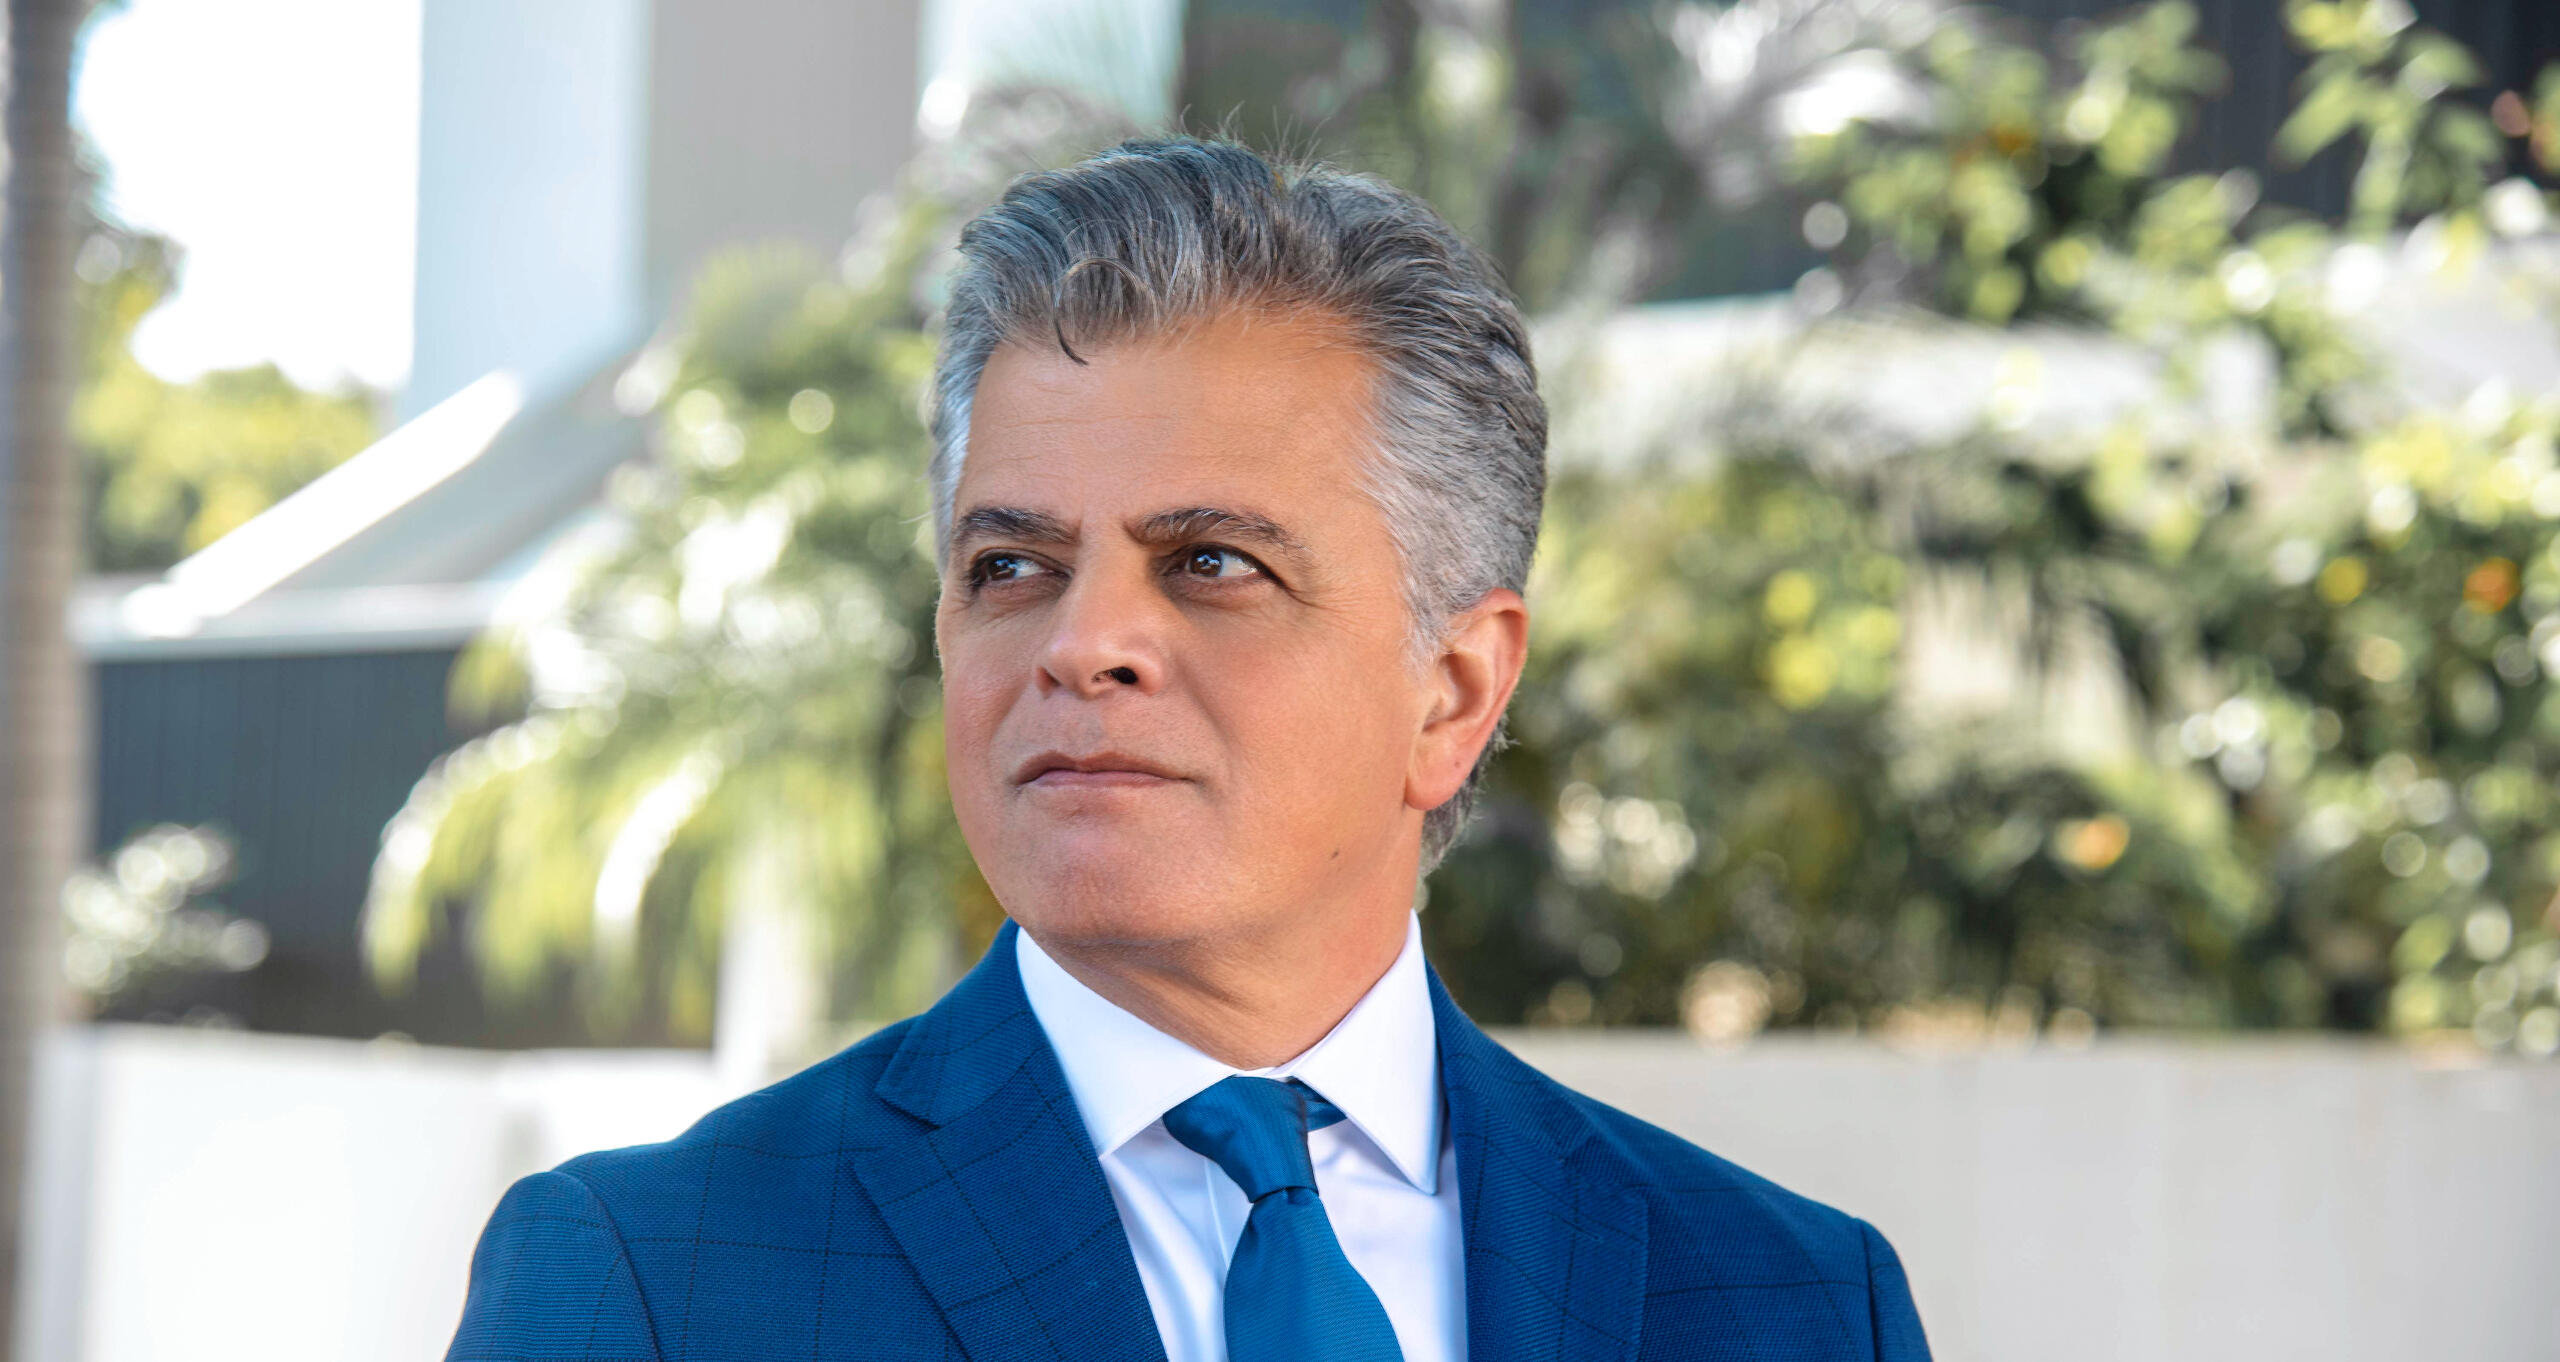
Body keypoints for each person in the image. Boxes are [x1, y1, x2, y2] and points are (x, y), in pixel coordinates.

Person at [444, 134, 1931, 1362]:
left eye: (1211, 562)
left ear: (1455, 690)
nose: (1084, 642)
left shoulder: (1793, 1303)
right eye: (1012, 566)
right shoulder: (651, 1285)